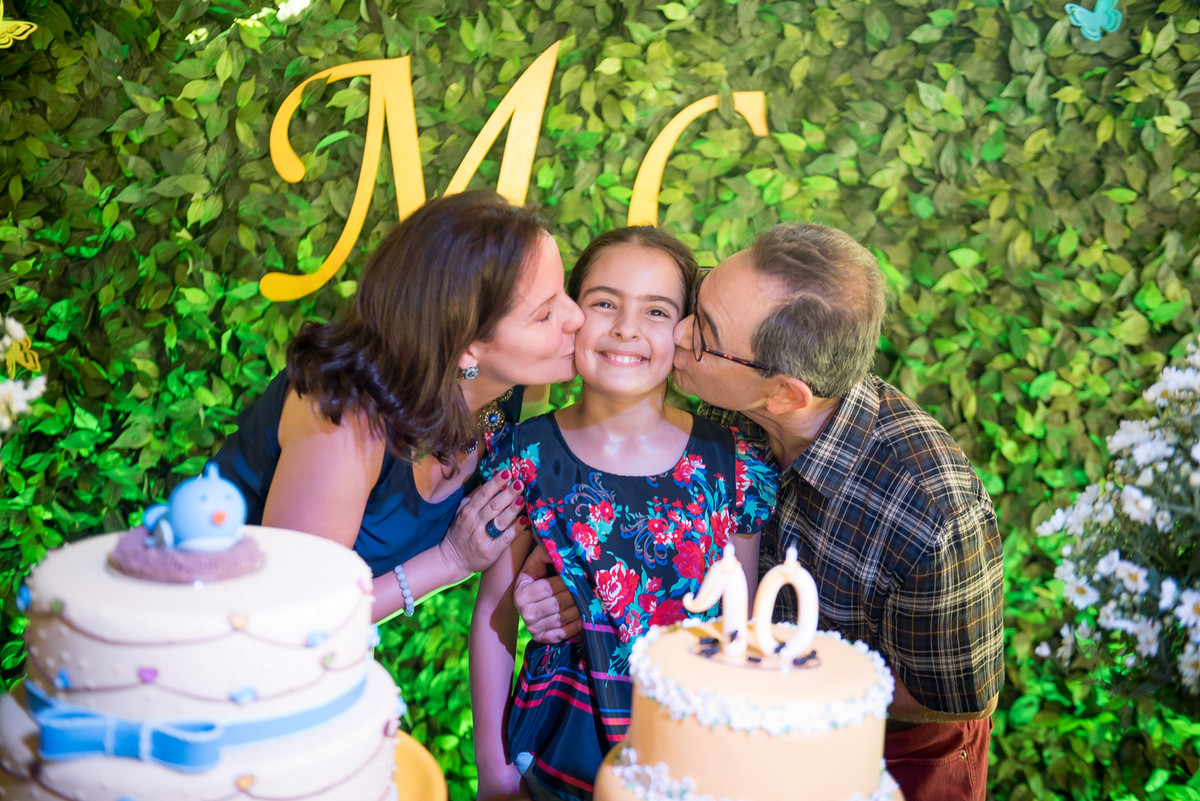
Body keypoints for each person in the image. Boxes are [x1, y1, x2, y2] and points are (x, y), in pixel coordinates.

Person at [513, 222, 1005, 801]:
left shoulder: (934, 513)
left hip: (885, 756)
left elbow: (959, 695)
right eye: (697, 303)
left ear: (785, 394)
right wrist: (573, 590)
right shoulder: (727, 407)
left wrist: (783, 679)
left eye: (704, 332)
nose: (681, 332)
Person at [470, 227, 777, 801]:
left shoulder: (734, 463)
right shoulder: (524, 455)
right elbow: (494, 613)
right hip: (558, 749)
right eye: (604, 303)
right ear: (571, 313)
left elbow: (743, 626)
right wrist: (493, 768)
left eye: (656, 311)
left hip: (690, 753)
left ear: (686, 332)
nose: (626, 329)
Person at [212, 190, 585, 623]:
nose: (576, 317)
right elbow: (293, 612)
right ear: (466, 345)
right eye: (544, 314)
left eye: (563, 292)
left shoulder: (521, 392)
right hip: (206, 625)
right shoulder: (346, 415)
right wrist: (449, 561)